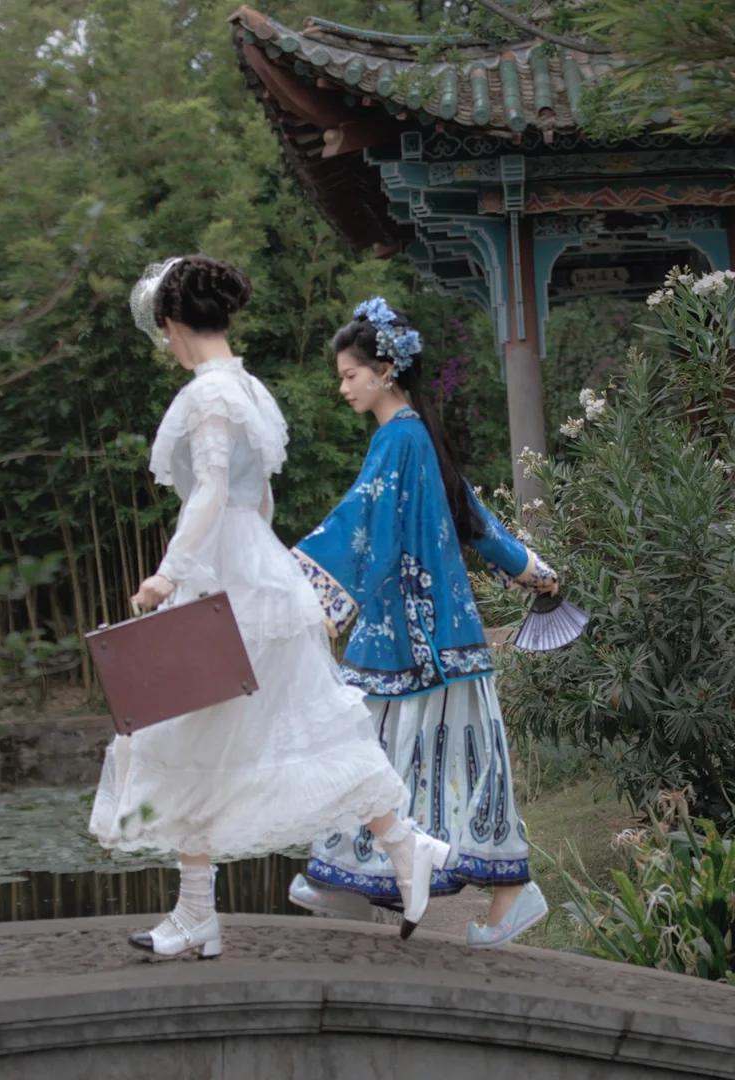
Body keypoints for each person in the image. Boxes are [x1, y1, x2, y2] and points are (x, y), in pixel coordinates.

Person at [88, 259, 449, 958]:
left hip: (222, 578)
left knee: (186, 733)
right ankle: (402, 846)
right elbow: (260, 501)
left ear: (170, 327)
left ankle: (202, 912)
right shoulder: (249, 389)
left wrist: (169, 575)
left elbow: (212, 490)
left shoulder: (208, 396)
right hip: (255, 571)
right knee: (269, 724)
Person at [286, 296, 560, 949]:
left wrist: (296, 589)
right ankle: (347, 881)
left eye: (350, 374)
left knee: (400, 759)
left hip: (417, 638)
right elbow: (476, 523)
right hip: (424, 636)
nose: (343, 386)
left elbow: (362, 517)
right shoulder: (418, 438)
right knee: (410, 759)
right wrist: (537, 572)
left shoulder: (399, 440)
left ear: (385, 371)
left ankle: (510, 892)